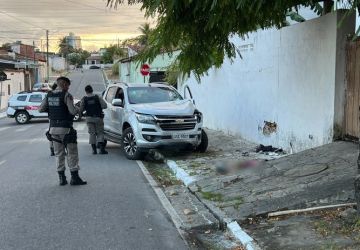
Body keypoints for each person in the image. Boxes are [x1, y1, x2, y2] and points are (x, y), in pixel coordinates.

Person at [39, 76, 87, 186]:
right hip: (66, 130)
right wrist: (78, 108)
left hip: (53, 130)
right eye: (68, 86)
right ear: (64, 85)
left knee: (58, 154)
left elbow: (40, 109)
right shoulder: (66, 95)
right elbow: (72, 111)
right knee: (72, 153)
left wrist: (51, 110)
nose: (68, 88)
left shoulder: (49, 95)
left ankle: (62, 179)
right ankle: (75, 178)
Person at [80, 85, 108, 154]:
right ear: (92, 90)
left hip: (89, 118)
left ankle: (94, 150)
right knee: (100, 133)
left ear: (86, 91)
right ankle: (101, 150)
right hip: (98, 117)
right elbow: (105, 106)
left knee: (92, 133)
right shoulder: (97, 97)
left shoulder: (84, 99)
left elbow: (81, 109)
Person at [48, 82, 57, 156]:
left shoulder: (49, 95)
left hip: (52, 119)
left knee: (51, 135)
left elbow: (41, 109)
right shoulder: (63, 94)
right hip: (63, 119)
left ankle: (52, 150)